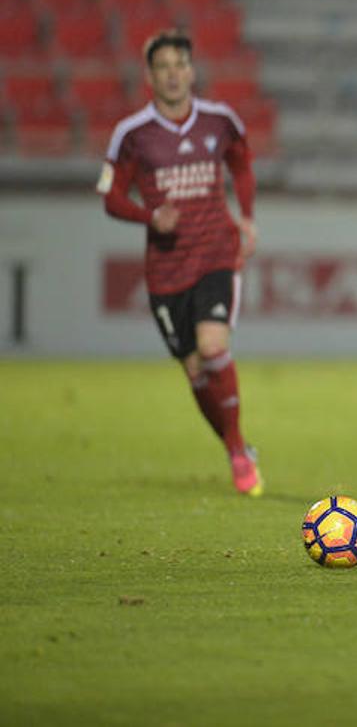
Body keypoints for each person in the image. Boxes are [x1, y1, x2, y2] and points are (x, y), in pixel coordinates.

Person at [96, 29, 262, 495]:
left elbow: (242, 163)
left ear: (191, 70)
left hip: (215, 253)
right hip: (166, 270)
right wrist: (149, 216)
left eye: (180, 65)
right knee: (194, 371)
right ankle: (237, 443)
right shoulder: (132, 135)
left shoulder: (219, 120)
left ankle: (236, 457)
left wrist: (246, 218)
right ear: (149, 76)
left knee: (213, 348)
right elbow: (109, 196)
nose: (172, 74)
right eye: (163, 67)